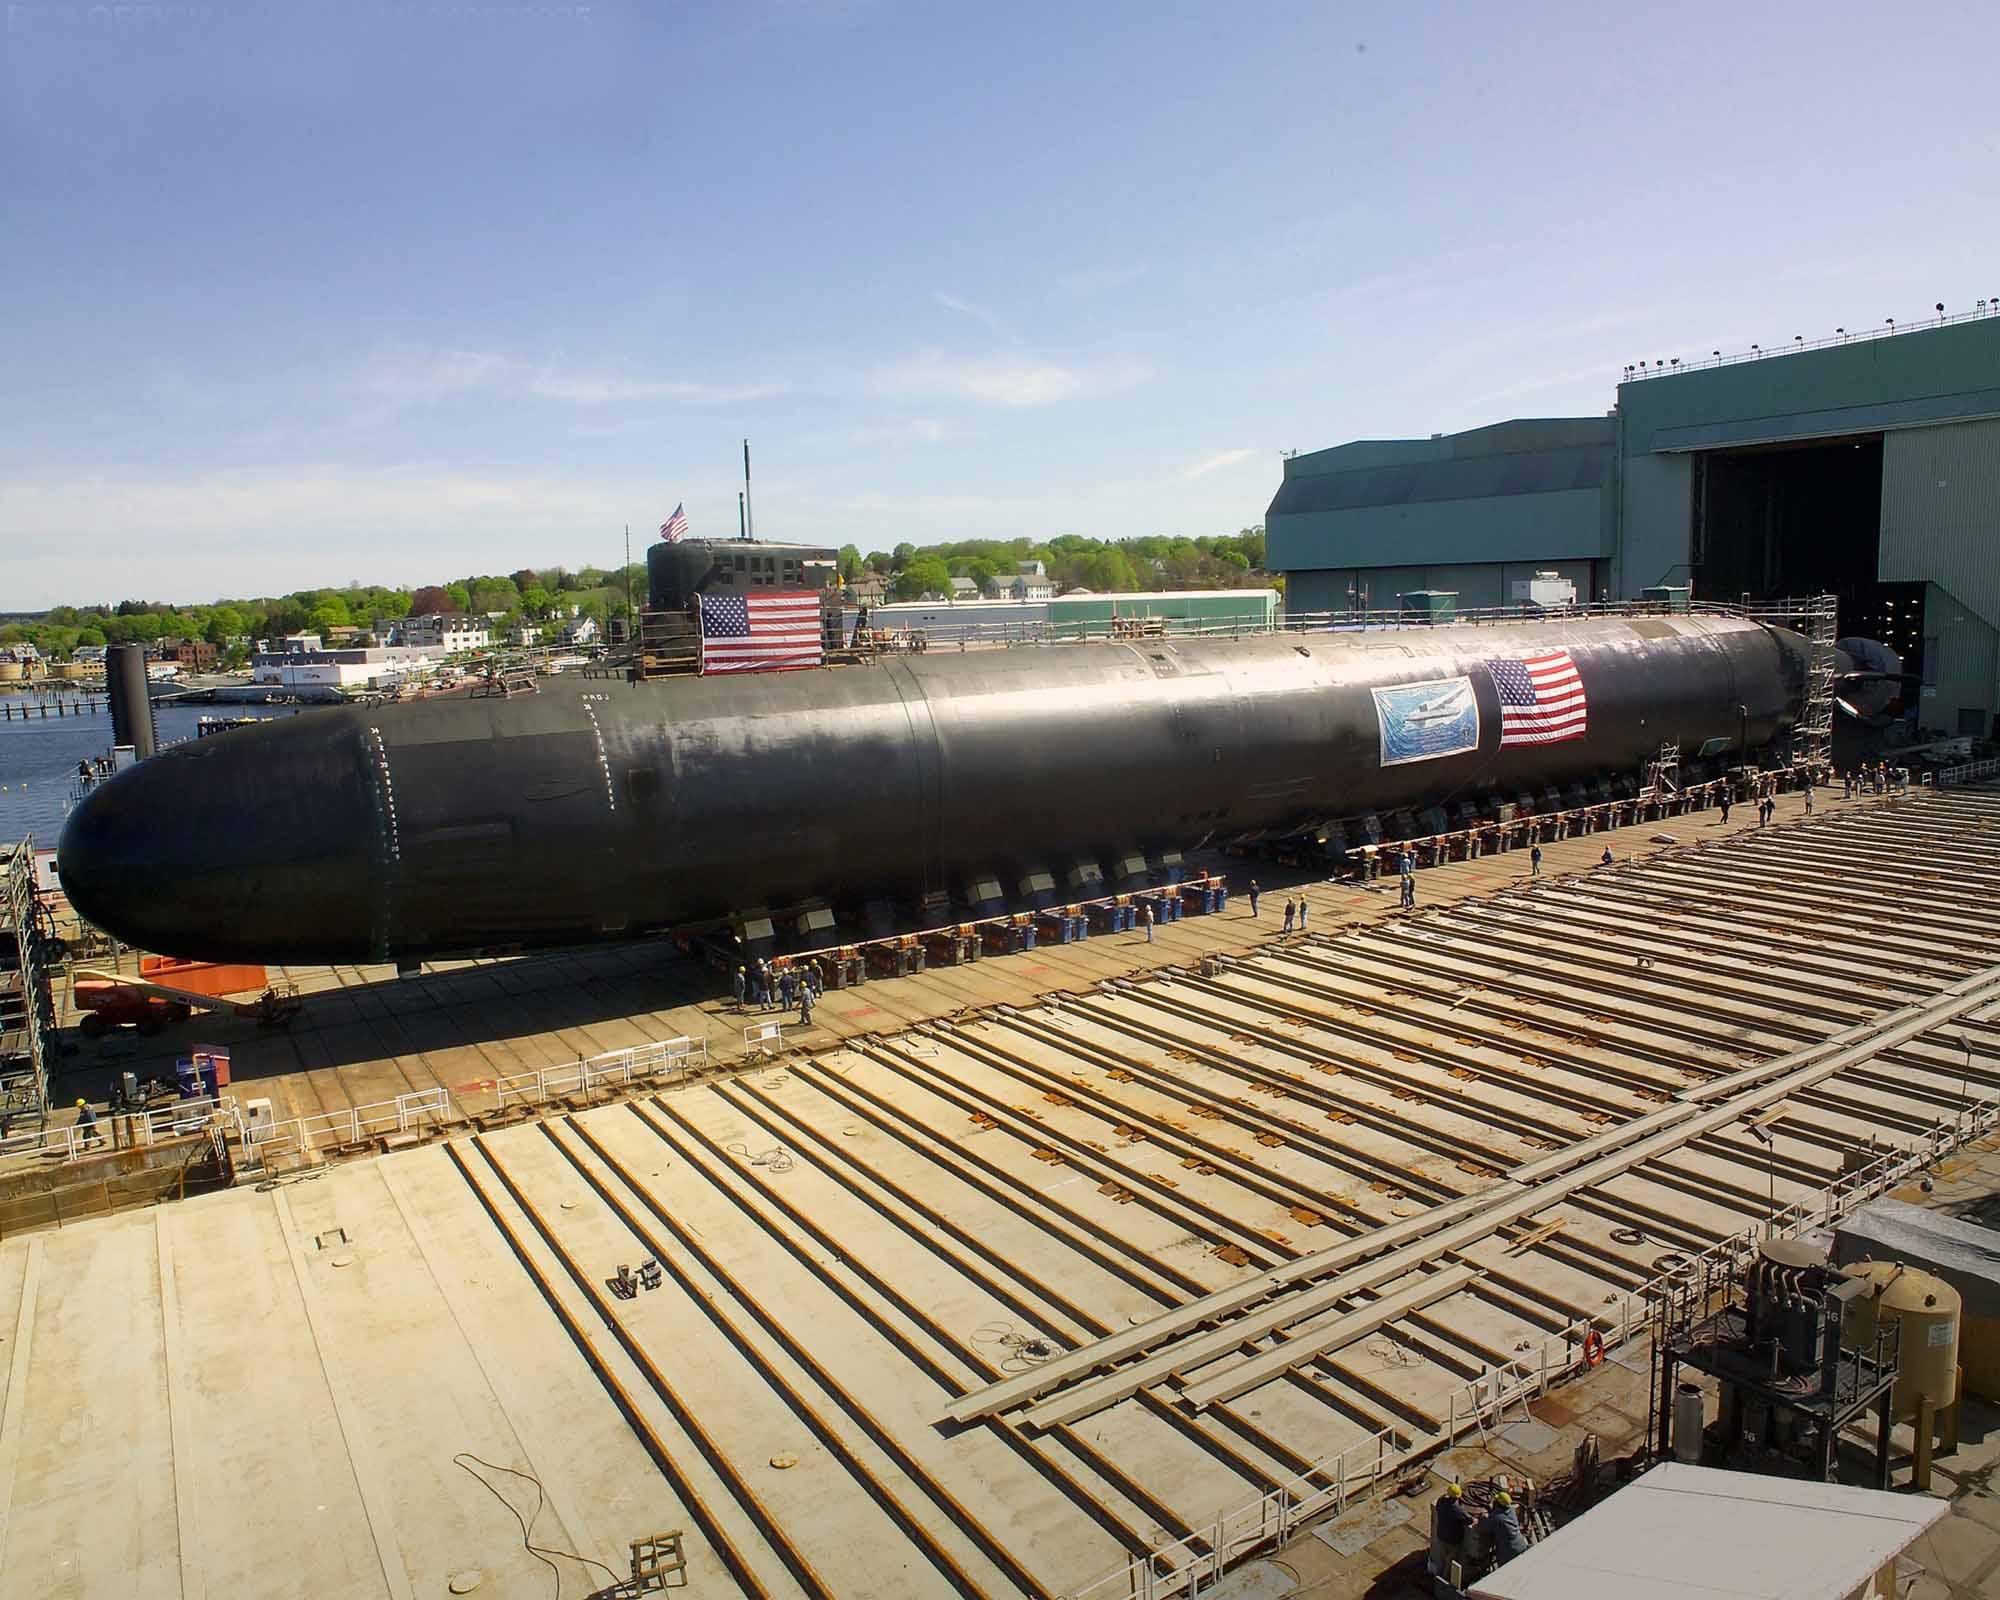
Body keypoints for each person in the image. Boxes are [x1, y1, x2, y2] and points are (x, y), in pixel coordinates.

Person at [1484, 1491, 1527, 1566]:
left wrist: (1485, 1517)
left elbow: (1487, 1528)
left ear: (1498, 1504)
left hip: (1508, 1552)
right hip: (1521, 1545)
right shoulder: (1512, 1510)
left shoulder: (1496, 1517)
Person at [1433, 1482, 1471, 1555]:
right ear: (1458, 1497)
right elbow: (1469, 1520)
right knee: (1450, 1557)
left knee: (1442, 1554)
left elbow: (1439, 1506)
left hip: (1441, 1534)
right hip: (1453, 1539)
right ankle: (1447, 1565)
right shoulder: (1457, 1509)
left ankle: (1441, 1565)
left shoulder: (1441, 1501)